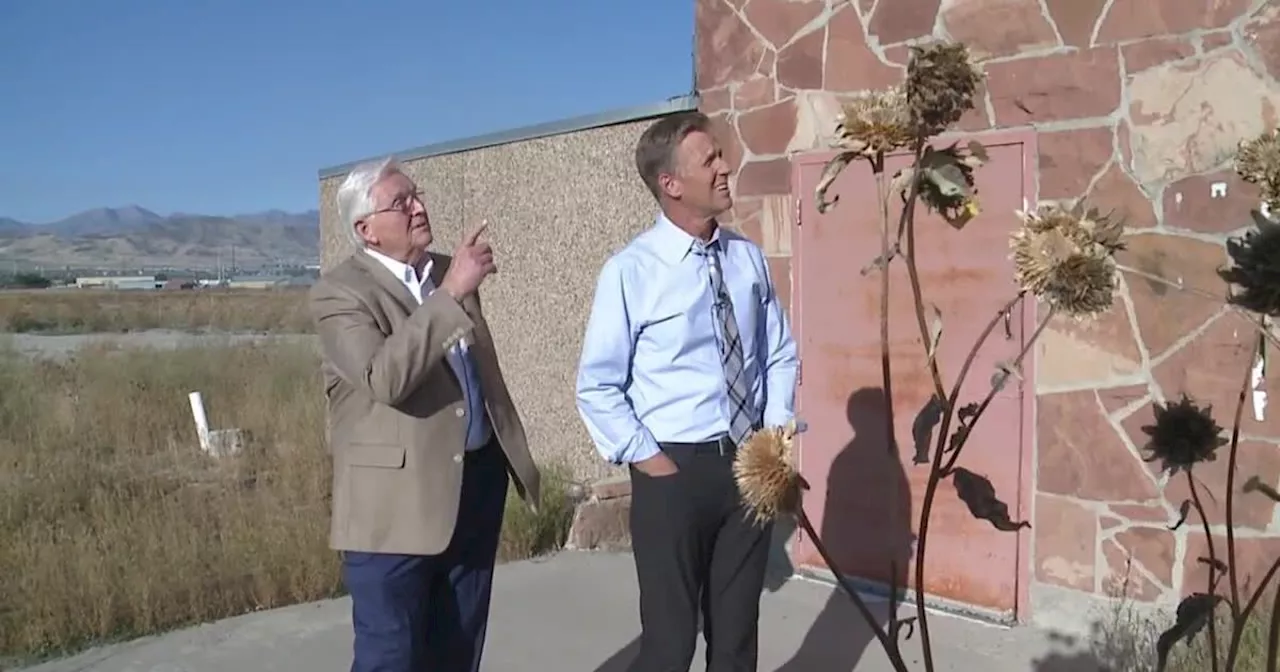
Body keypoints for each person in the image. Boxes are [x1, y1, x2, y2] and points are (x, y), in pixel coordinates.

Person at [575, 111, 800, 671]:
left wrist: (772, 436)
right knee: (670, 644)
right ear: (670, 184)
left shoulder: (746, 259)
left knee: (735, 639)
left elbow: (777, 352)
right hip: (673, 474)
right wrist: (653, 463)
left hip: (748, 469)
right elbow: (598, 385)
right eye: (710, 160)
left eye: (721, 155)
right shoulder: (630, 272)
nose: (726, 168)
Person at [308, 156, 541, 672]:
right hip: (392, 511)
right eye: (402, 201)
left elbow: (475, 373)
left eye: (418, 195)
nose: (419, 207)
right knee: (391, 656)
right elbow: (384, 378)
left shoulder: (443, 270)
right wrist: (453, 292)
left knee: (458, 648)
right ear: (365, 229)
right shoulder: (339, 293)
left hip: (473, 486)